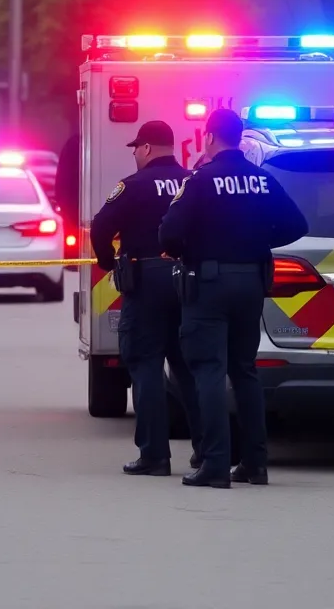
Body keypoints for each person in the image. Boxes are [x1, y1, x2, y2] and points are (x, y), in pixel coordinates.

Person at [159, 108, 308, 488]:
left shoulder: (200, 180)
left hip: (209, 284)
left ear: (209, 138)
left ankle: (215, 464)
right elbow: (297, 224)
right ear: (240, 138)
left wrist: (195, 246)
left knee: (208, 370)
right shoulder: (262, 180)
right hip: (251, 283)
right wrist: (256, 242)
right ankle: (255, 464)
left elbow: (169, 234)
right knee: (244, 371)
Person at [91, 121, 202, 477]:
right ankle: (207, 451)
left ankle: (155, 455)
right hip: (188, 281)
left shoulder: (133, 185)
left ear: (147, 148)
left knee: (146, 366)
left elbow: (100, 227)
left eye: (136, 148)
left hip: (146, 282)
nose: (136, 154)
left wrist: (110, 263)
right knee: (191, 370)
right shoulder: (193, 181)